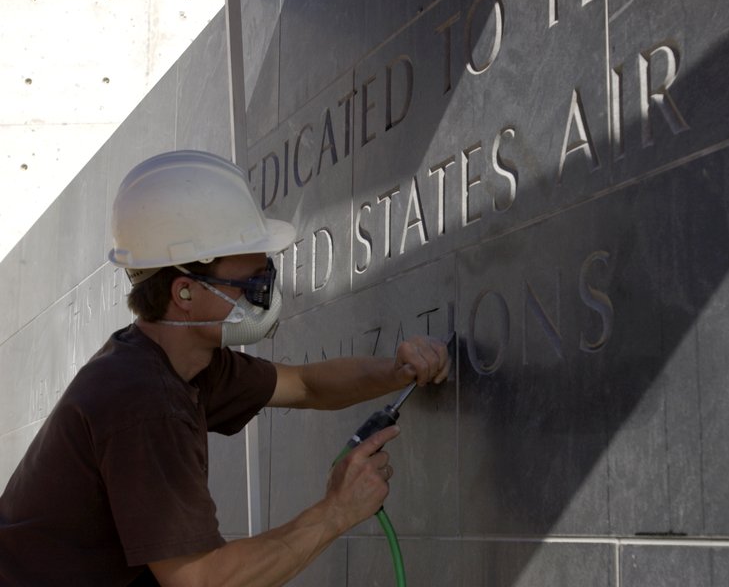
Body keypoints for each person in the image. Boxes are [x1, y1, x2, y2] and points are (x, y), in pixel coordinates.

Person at [0, 150, 450, 586]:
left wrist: (397, 370)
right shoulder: (144, 401)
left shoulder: (182, 362)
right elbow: (200, 581)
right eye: (253, 284)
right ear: (185, 293)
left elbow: (306, 385)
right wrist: (337, 510)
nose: (267, 298)